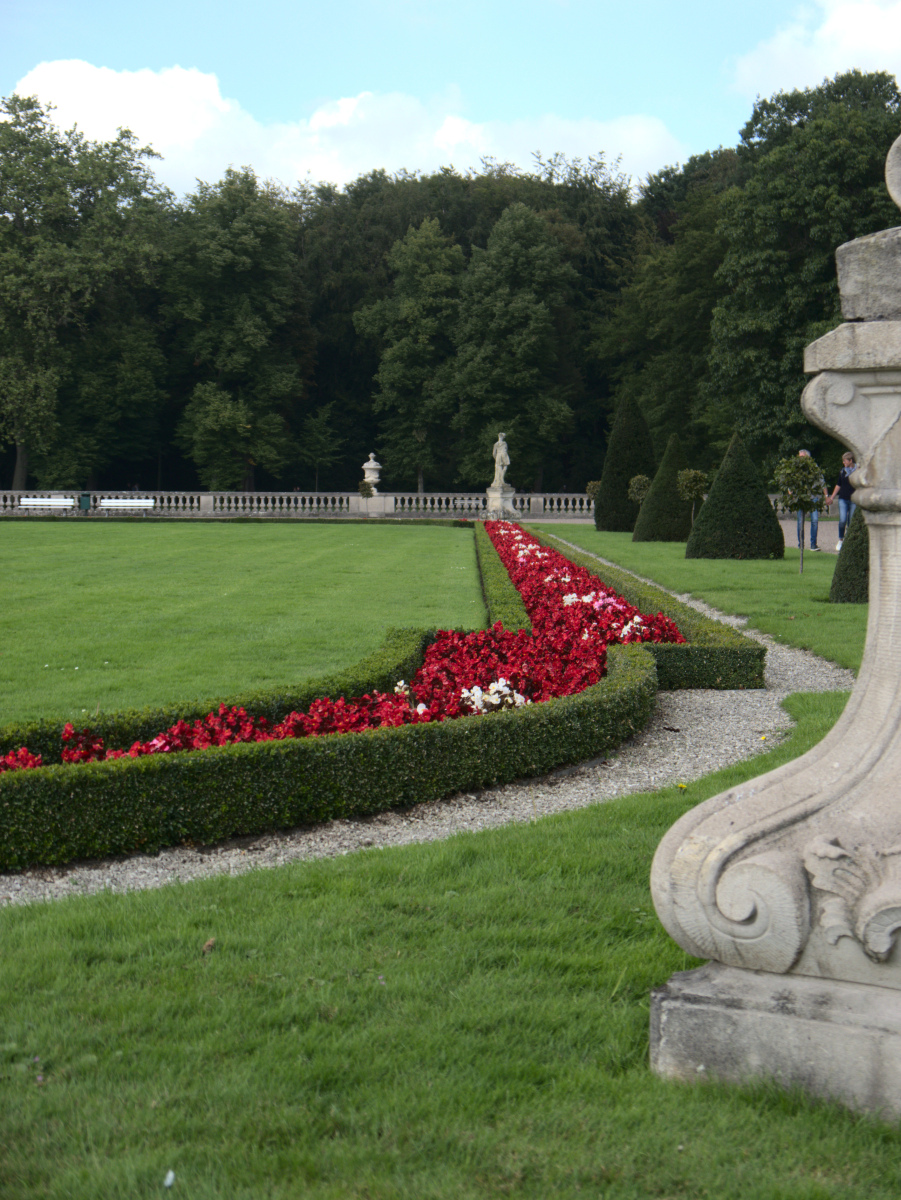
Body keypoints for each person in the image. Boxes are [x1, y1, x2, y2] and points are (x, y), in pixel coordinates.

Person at [796, 449, 829, 551]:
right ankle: (801, 544)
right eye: (799, 457)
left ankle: (813, 544)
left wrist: (826, 496)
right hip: (800, 498)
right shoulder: (796, 468)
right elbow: (790, 482)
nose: (800, 459)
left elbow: (822, 482)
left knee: (814, 520)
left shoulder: (815, 468)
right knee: (800, 522)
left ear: (808, 458)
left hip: (813, 497)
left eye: (802, 457)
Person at [827, 451, 857, 551]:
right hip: (843, 499)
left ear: (850, 460)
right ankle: (840, 539)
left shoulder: (858, 471)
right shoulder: (843, 471)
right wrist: (832, 497)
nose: (843, 463)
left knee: (851, 521)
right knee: (842, 520)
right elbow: (838, 485)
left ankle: (849, 541)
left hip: (854, 500)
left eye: (845, 461)